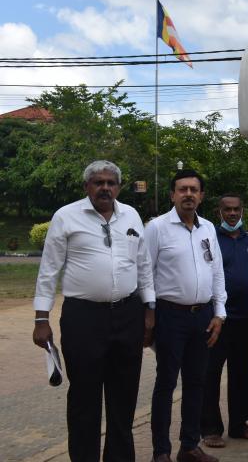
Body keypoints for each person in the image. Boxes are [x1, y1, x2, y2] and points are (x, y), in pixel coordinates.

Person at [32, 160, 155, 462]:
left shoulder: (132, 215)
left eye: (111, 183)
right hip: (83, 319)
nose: (105, 188)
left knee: (123, 398)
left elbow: (143, 266)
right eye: (98, 182)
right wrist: (41, 318)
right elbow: (49, 270)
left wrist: (149, 309)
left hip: (128, 315)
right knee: (84, 399)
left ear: (119, 187)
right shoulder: (66, 217)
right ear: (86, 187)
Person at [147, 169, 227, 462]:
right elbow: (146, 273)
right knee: (166, 383)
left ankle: (189, 446)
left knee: (197, 382)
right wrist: (150, 313)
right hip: (170, 315)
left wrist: (219, 314)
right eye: (183, 189)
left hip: (203, 316)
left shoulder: (208, 228)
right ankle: (161, 451)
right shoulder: (157, 228)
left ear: (202, 195)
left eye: (194, 189)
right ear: (172, 195)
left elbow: (217, 272)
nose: (189, 194)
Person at [200, 194, 248, 448]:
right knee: (211, 374)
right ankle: (210, 429)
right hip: (216, 320)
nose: (232, 214)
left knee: (243, 374)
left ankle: (239, 425)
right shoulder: (209, 240)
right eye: (227, 209)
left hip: (245, 320)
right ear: (219, 211)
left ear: (242, 210)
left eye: (236, 209)